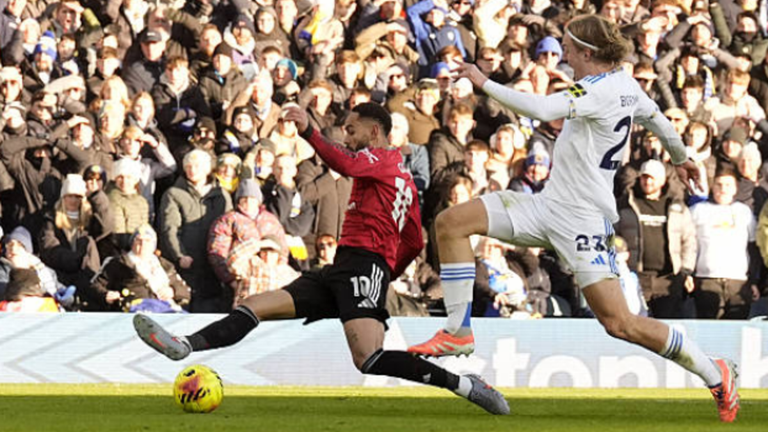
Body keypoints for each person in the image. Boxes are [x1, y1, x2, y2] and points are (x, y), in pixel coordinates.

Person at [407, 14, 739, 422]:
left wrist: (483, 81)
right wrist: (683, 158)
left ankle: (715, 371)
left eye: (567, 46)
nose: (563, 52)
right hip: (548, 206)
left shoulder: (595, 89)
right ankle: (457, 335)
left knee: (621, 323)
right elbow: (656, 117)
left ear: (587, 52)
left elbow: (543, 107)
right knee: (451, 223)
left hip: (583, 222)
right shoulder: (626, 85)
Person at [133, 102, 509, 416]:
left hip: (363, 264)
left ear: (375, 132)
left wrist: (309, 131)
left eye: (351, 129)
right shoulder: (403, 182)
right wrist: (385, 274)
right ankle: (185, 345)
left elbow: (346, 164)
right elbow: (412, 241)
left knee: (369, 358)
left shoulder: (381, 159)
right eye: (343, 131)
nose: (346, 137)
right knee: (254, 305)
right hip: (344, 267)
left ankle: (464, 385)